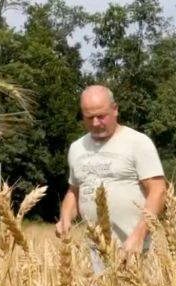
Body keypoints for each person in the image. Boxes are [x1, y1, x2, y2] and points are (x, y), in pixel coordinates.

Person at [56, 85, 167, 272]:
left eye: (101, 116)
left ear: (115, 110)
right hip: (95, 251)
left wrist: (138, 236)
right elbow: (74, 191)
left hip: (136, 249)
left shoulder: (138, 143)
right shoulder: (76, 148)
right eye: (89, 117)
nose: (96, 122)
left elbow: (158, 191)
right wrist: (65, 218)